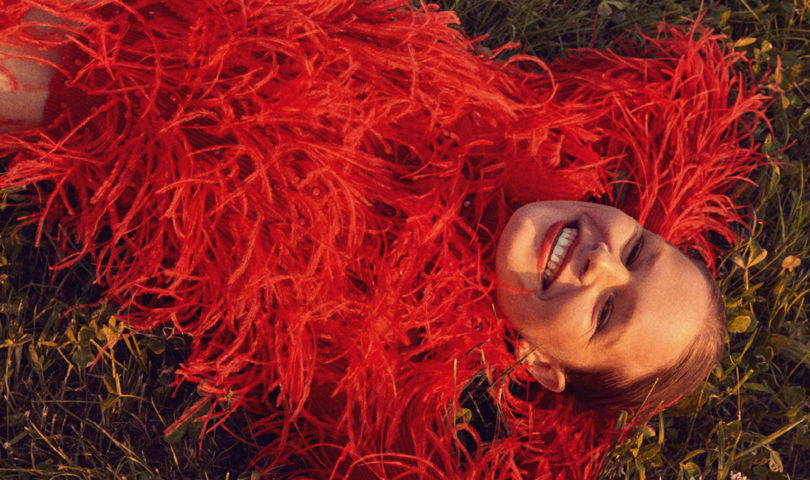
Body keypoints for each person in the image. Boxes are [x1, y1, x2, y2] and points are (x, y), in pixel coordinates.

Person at [0, 1, 767, 478]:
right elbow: (673, 108)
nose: (602, 262)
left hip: (76, 78)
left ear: (539, 365)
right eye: (636, 252)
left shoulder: (373, 349)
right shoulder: (516, 124)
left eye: (606, 313)